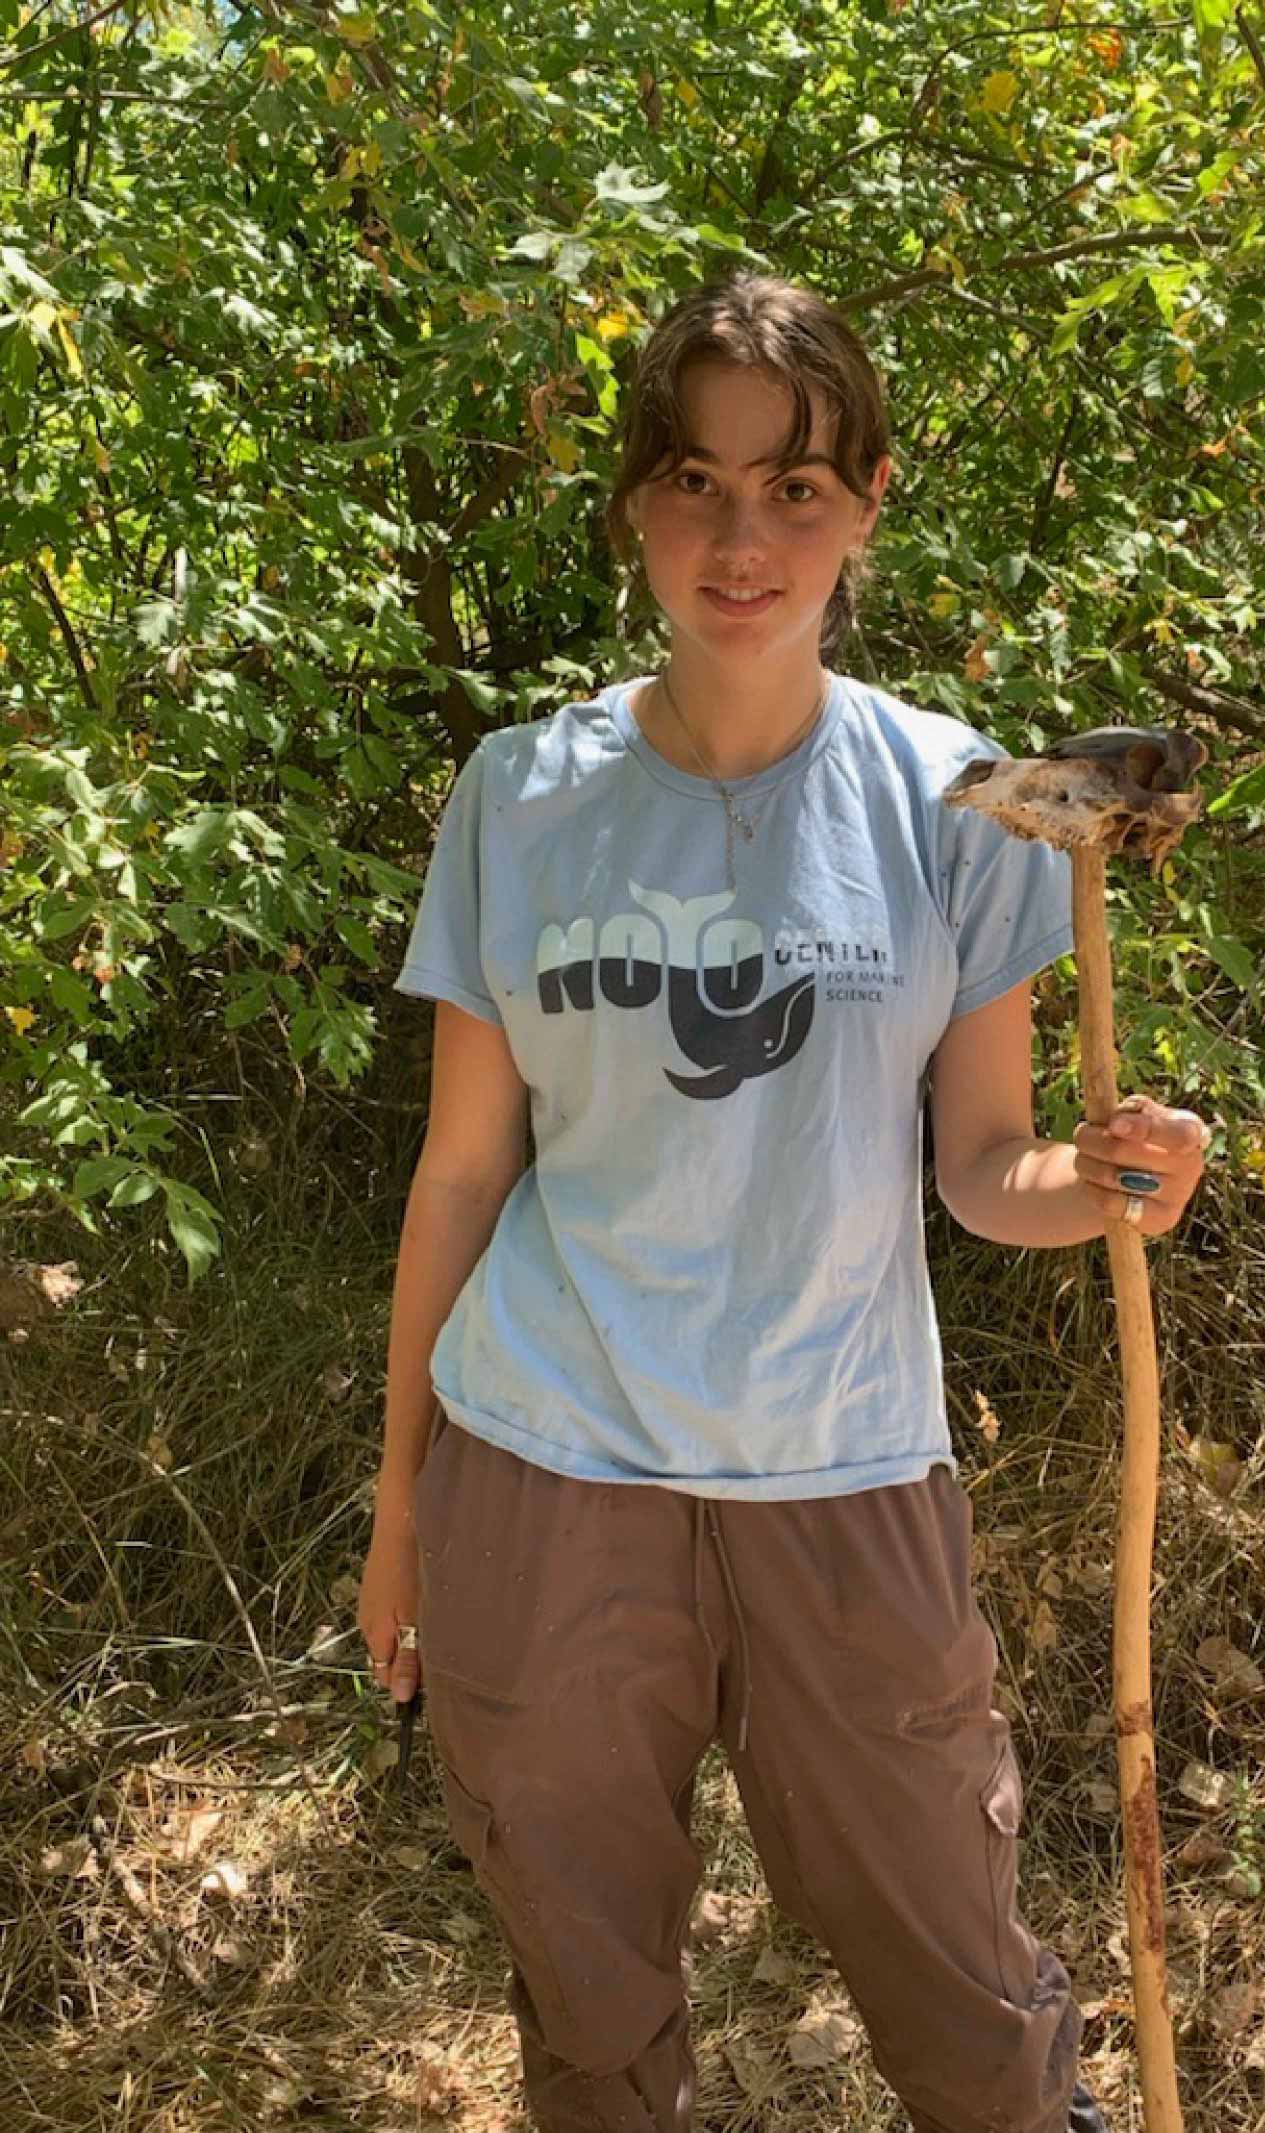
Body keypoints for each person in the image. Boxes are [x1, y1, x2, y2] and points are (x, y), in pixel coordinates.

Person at [361, 270, 1208, 2133]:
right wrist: (404, 1499)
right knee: (586, 2006)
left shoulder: (956, 799)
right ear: (637, 505)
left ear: (869, 498)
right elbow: (463, 1170)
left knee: (968, 1997)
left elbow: (989, 1170)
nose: (743, 537)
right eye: (696, 481)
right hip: (548, 1462)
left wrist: (1115, 1177)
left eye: (796, 486)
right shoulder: (523, 793)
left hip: (844, 1460)